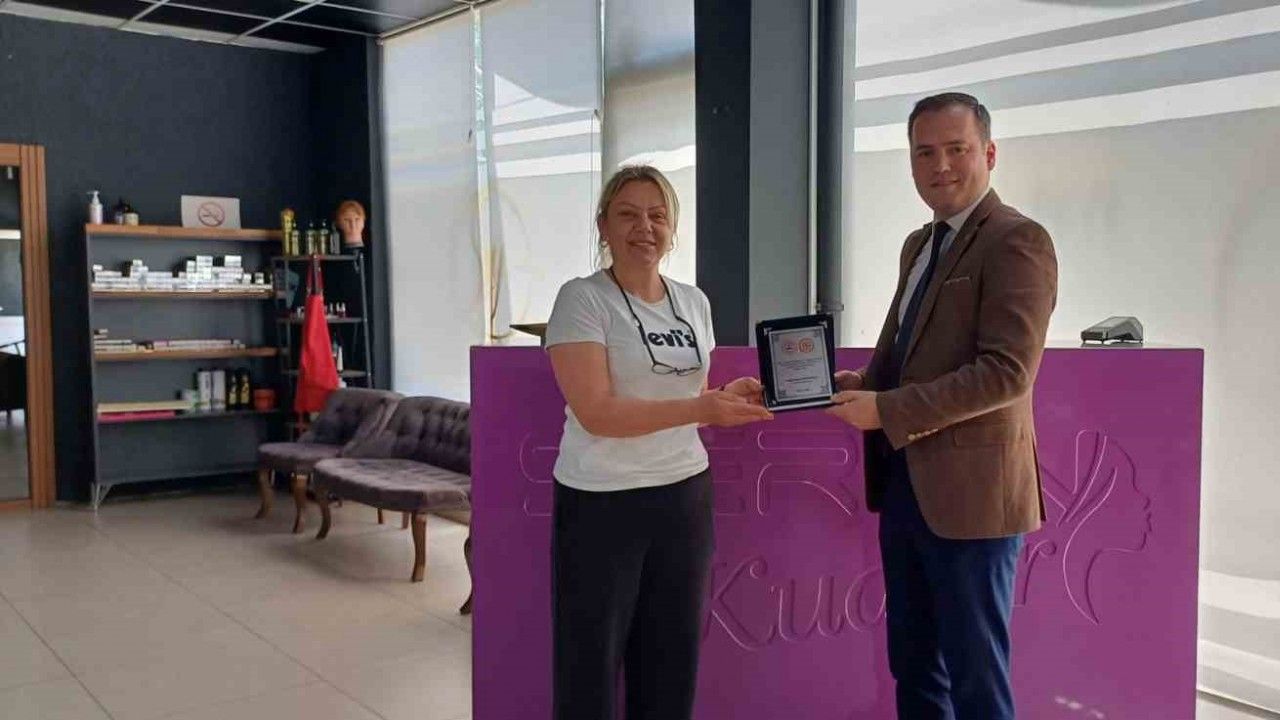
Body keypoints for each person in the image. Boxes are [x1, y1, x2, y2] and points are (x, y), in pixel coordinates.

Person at [826, 92, 1058, 719]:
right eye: (925, 153)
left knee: (976, 678)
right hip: (906, 486)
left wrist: (887, 410)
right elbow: (902, 357)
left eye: (957, 149)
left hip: (974, 501)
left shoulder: (1017, 239)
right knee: (914, 666)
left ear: (989, 153)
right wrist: (848, 383)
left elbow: (1007, 374)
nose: (941, 165)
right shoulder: (920, 244)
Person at [545, 165, 772, 720]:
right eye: (627, 214)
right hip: (601, 501)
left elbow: (682, 395)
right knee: (589, 668)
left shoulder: (693, 302)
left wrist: (720, 398)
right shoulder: (582, 299)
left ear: (672, 228)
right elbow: (597, 412)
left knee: (672, 662)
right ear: (603, 225)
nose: (643, 227)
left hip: (683, 497)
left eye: (657, 215)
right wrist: (702, 409)